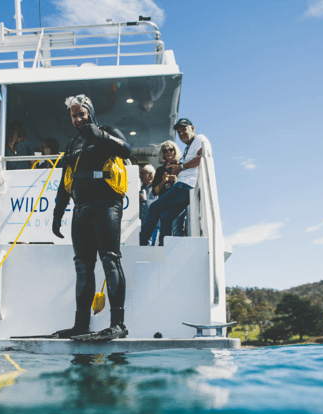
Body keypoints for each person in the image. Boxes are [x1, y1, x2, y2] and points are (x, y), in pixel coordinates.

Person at [51, 94, 132, 341]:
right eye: (73, 116)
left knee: (109, 260)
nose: (77, 119)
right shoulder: (73, 143)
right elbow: (65, 184)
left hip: (106, 205)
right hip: (81, 210)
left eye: (81, 114)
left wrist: (101, 135)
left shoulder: (106, 131)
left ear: (90, 112)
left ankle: (118, 324)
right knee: (83, 267)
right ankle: (81, 324)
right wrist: (58, 213)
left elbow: (127, 150)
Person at [139, 118, 207, 246]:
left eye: (184, 130)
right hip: (179, 190)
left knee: (154, 208)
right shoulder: (185, 151)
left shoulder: (198, 139)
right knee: (165, 217)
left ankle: (142, 243)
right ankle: (163, 248)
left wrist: (180, 168)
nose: (181, 133)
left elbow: (202, 156)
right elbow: (154, 191)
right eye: (179, 132)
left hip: (184, 187)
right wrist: (164, 181)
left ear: (192, 128)